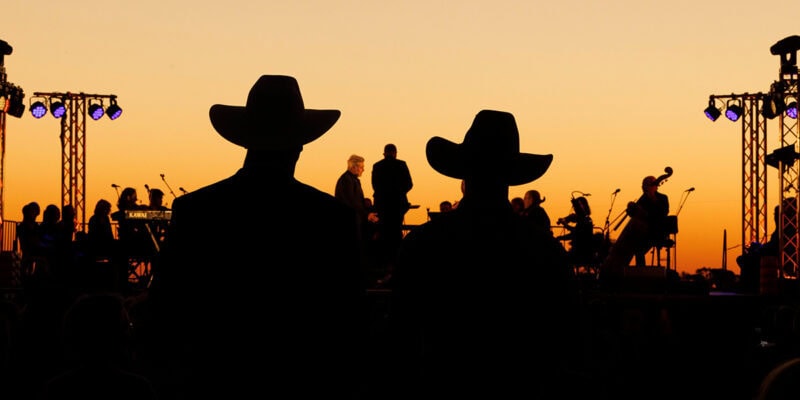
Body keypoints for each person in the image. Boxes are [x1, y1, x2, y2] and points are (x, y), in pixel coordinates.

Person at [148, 75, 366, 399]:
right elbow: (346, 319)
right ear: (300, 145)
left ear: (245, 141)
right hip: (303, 384)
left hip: (210, 382)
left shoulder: (196, 210)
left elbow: (167, 307)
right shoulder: (334, 218)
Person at [389, 110, 577, 399]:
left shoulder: (422, 243)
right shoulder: (544, 249)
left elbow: (401, 337)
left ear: (464, 176)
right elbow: (562, 341)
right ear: (511, 176)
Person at [371, 143, 413, 278]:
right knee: (396, 235)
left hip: (382, 207)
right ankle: (397, 266)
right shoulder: (401, 165)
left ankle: (383, 267)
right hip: (397, 206)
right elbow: (409, 184)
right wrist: (399, 193)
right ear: (395, 153)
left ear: (384, 153)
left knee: (384, 235)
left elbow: (375, 186)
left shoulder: (377, 166)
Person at [631, 175, 671, 267]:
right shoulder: (642, 199)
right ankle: (639, 272)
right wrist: (632, 209)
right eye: (643, 185)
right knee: (637, 249)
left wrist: (653, 199)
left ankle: (641, 273)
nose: (644, 187)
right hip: (642, 232)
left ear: (655, 186)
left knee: (639, 250)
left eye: (646, 185)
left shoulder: (663, 198)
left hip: (655, 232)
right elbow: (636, 215)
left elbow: (663, 213)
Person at [336, 154, 378, 237]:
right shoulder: (347, 180)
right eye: (361, 167)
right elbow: (351, 202)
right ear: (354, 167)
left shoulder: (351, 179)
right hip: (351, 221)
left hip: (355, 219)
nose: (363, 170)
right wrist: (367, 215)